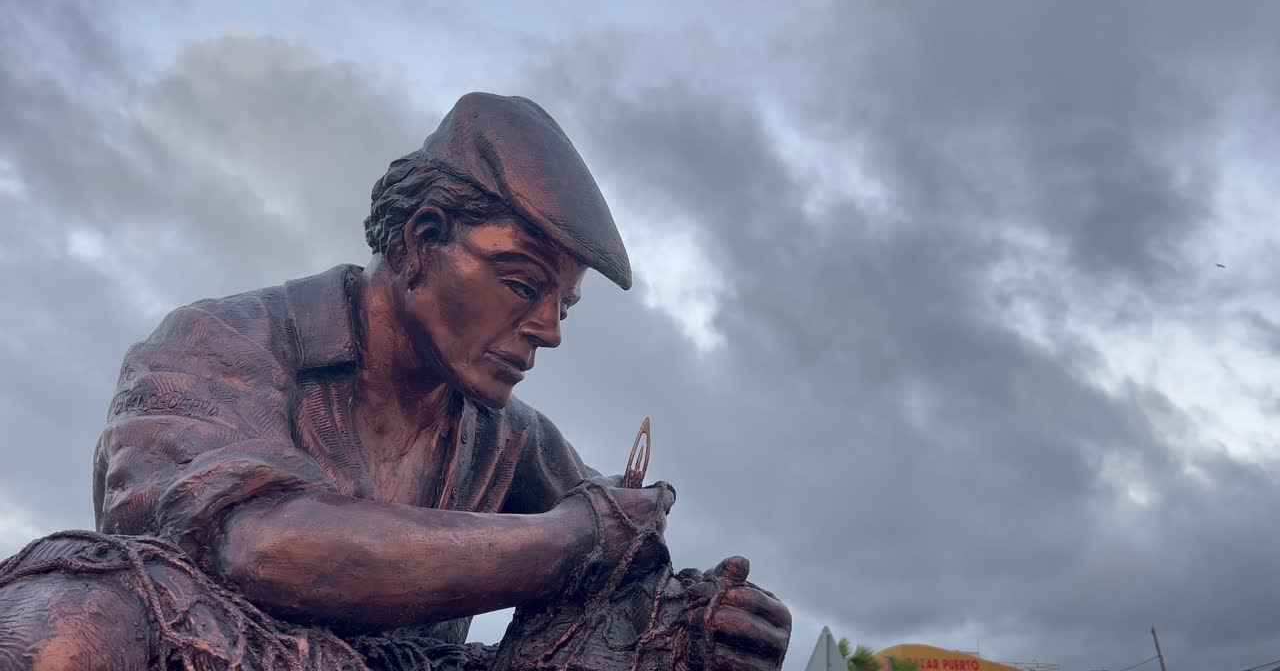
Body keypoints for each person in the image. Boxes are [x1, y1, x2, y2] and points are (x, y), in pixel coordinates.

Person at [0, 93, 791, 670]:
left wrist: (707, 622)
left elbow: (624, 574)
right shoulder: (220, 342)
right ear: (421, 241)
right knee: (72, 606)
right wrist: (573, 537)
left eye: (563, 306)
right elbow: (254, 545)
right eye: (522, 284)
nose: (549, 329)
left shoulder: (513, 439)